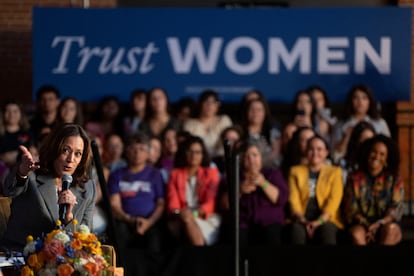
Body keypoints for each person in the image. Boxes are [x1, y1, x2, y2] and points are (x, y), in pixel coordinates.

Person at [1, 123, 96, 250]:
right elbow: (10, 191)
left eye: (78, 153)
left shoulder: (88, 188)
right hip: (20, 254)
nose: (70, 159)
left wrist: (69, 218)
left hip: (63, 262)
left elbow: (85, 236)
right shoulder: (32, 172)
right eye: (65, 150)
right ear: (54, 148)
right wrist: (22, 173)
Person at [108, 132, 165, 253]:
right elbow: (114, 205)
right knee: (119, 236)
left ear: (148, 153)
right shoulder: (116, 174)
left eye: (141, 149)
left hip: (151, 221)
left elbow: (161, 203)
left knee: (155, 242)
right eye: (133, 149)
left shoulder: (155, 174)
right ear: (126, 151)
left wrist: (149, 222)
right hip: (125, 220)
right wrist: (130, 220)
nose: (137, 153)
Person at [342, 134, 404, 245]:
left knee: (390, 230)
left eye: (382, 154)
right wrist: (368, 226)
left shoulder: (395, 179)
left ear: (387, 159)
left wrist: (379, 223)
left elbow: (395, 209)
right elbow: (351, 210)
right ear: (367, 153)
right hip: (361, 223)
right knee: (356, 233)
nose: (376, 157)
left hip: (386, 223)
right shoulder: (354, 178)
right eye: (373, 152)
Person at [287, 134, 344, 245]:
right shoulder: (295, 171)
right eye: (311, 149)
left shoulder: (335, 172)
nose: (315, 153)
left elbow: (333, 203)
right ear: (306, 151)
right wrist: (303, 221)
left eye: (319, 149)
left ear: (326, 152)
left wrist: (318, 222)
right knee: (296, 231)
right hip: (301, 218)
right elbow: (294, 200)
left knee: (327, 230)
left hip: (326, 219)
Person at [166, 135, 221, 246]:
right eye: (190, 152)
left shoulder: (211, 173)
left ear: (202, 154)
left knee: (189, 220)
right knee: (187, 220)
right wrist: (181, 213)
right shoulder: (175, 174)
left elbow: (210, 203)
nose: (194, 156)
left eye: (197, 152)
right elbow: (173, 204)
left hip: (206, 217)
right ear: (184, 153)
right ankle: (200, 256)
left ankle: (198, 255)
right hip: (180, 217)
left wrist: (194, 213)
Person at [239, 139, 288, 246]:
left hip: (270, 222)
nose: (251, 159)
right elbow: (224, 204)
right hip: (244, 223)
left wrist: (263, 183)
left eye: (255, 155)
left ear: (261, 157)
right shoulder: (237, 177)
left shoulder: (272, 174)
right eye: (247, 156)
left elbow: (281, 199)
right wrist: (239, 191)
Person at [332, 83, 391, 164]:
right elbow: (335, 154)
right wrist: (345, 137)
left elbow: (388, 149)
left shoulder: (380, 123)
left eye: (364, 98)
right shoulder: (341, 124)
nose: (360, 102)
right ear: (351, 101)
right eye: (356, 98)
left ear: (369, 101)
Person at [183, 89, 232, 159]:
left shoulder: (223, 120)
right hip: (196, 160)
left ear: (218, 105)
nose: (209, 105)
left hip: (221, 160)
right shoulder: (189, 124)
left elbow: (230, 142)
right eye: (206, 101)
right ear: (200, 104)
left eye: (213, 102)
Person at [0, 99, 33, 168]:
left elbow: (33, 152)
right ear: (3, 113)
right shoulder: (1, 134)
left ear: (21, 113)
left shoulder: (28, 133)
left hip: (22, 169)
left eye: (15, 111)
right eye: (8, 111)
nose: (11, 114)